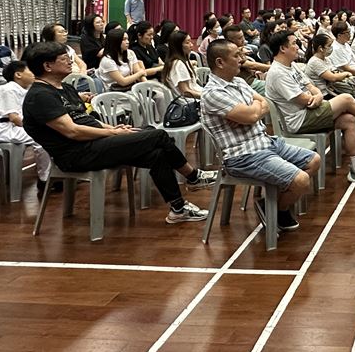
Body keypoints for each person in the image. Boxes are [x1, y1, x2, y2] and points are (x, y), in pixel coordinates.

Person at [21, 42, 216, 223]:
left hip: (93, 144)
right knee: (158, 135)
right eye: (64, 58)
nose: (71, 61)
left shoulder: (65, 88)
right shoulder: (40, 96)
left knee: (155, 151)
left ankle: (178, 209)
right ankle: (193, 177)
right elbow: (73, 132)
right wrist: (114, 134)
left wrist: (113, 129)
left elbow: (85, 119)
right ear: (47, 66)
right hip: (76, 154)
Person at [200, 39, 320, 235]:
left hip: (265, 142)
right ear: (220, 62)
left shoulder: (238, 82)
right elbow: (254, 114)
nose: (242, 59)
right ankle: (277, 211)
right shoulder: (212, 93)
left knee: (314, 161)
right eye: (236, 56)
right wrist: (252, 113)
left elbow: (264, 103)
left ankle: (272, 206)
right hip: (243, 156)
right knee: (301, 180)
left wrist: (251, 112)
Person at [263, 30, 355, 184]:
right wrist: (316, 96)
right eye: (294, 43)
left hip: (310, 111)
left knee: (349, 120)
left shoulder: (291, 65)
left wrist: (318, 95)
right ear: (283, 48)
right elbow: (303, 100)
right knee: (346, 99)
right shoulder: (277, 73)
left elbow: (311, 85)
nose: (298, 47)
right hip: (299, 121)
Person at [0, 60, 52, 194]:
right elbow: (14, 118)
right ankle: (45, 179)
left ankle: (52, 174)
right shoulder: (8, 89)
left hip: (11, 127)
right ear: (18, 75)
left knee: (51, 132)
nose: (34, 73)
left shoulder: (25, 90)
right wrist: (37, 127)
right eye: (30, 70)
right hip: (0, 128)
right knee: (42, 137)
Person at [161, 30, 202, 99]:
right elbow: (185, 92)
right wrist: (205, 96)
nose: (191, 45)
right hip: (190, 101)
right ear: (178, 46)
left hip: (196, 95)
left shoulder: (182, 61)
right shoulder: (178, 64)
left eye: (190, 41)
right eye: (187, 42)